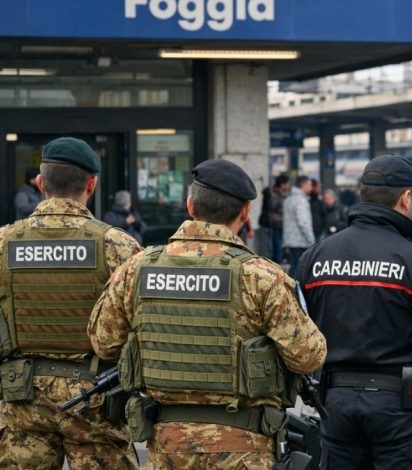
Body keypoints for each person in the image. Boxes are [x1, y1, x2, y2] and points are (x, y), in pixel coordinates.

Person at [88, 159, 327, 470]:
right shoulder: (261, 276)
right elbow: (309, 356)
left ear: (190, 205)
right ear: (245, 211)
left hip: (167, 446)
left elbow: (103, 342)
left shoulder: (137, 269)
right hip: (244, 446)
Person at [0, 137, 141, 469]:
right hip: (96, 399)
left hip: (23, 397)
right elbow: (143, 328)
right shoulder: (119, 246)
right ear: (92, 183)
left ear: (41, 183)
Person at [296, 155, 412, 470]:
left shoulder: (315, 257)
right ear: (406, 198)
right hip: (401, 407)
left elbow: (296, 335)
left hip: (335, 404)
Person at [283, 175, 314, 277]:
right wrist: (311, 240)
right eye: (310, 184)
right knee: (299, 268)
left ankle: (290, 290)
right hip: (300, 241)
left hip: (291, 239)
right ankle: (294, 291)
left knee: (294, 266)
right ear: (303, 185)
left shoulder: (289, 199)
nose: (311, 187)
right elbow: (303, 222)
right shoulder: (301, 201)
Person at [268, 173, 290, 264]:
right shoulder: (274, 195)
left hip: (280, 226)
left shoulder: (281, 194)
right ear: (282, 184)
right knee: (277, 252)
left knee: (279, 252)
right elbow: (273, 207)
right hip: (276, 226)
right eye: (287, 183)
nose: (289, 186)